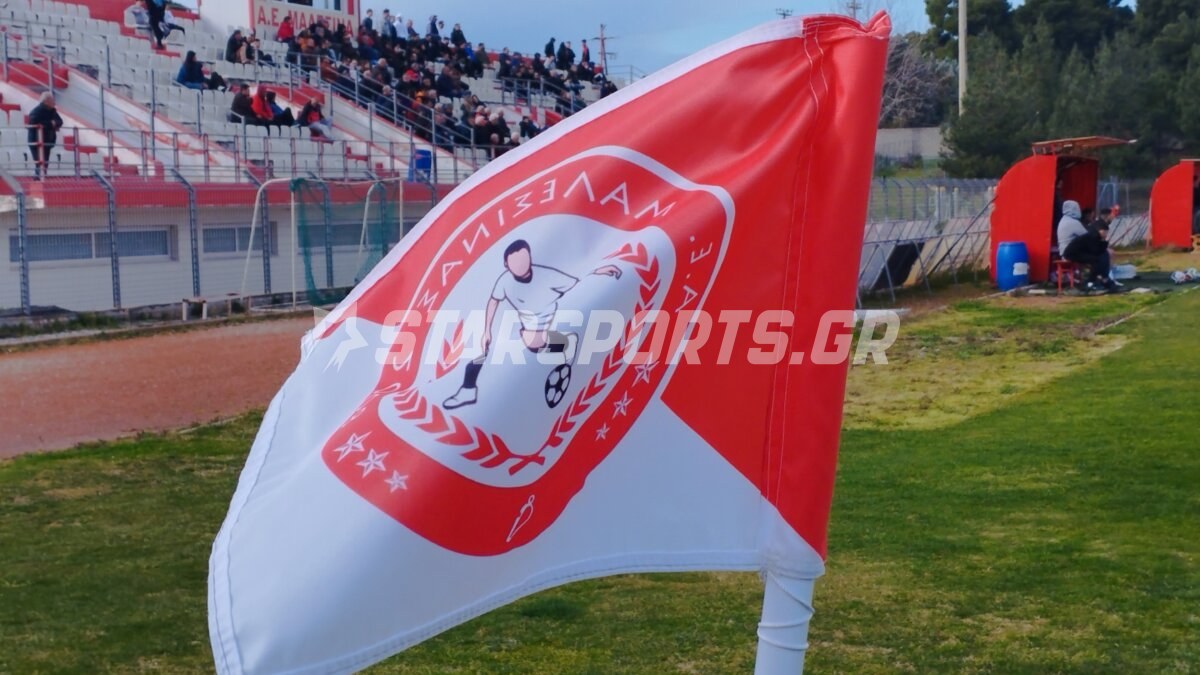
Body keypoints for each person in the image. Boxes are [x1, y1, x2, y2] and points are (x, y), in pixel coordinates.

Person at [442, 238, 622, 410]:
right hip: (524, 332)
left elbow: (578, 282)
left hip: (542, 332)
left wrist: (597, 271)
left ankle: (564, 353)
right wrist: (487, 330)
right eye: (514, 261)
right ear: (506, 264)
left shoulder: (547, 275)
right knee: (483, 358)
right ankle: (468, 391)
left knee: (522, 356)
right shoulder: (504, 281)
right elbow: (493, 301)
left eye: (524, 258)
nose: (521, 264)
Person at [1058, 200, 1115, 291]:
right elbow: (1088, 235)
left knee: (1099, 256)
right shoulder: (1073, 223)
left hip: (1068, 250)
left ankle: (1101, 278)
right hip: (1071, 252)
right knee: (1100, 257)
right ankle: (1097, 280)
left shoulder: (1064, 220)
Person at [27, 92, 62, 180]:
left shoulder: (52, 111)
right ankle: (38, 181)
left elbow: (60, 121)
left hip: (47, 141)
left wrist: (52, 124)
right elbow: (34, 122)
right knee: (40, 163)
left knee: (45, 163)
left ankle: (39, 180)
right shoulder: (36, 111)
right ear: (46, 101)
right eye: (52, 100)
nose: (54, 102)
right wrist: (51, 124)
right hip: (36, 141)